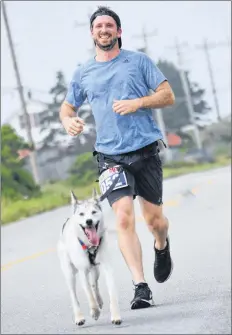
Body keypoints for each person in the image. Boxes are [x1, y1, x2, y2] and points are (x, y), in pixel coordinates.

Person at [60, 6, 175, 310]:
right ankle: (141, 286)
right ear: (92, 33)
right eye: (99, 26)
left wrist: (139, 102)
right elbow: (66, 108)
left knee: (155, 221)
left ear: (119, 31)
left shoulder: (138, 62)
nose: (104, 29)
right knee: (123, 217)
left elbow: (167, 96)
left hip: (145, 150)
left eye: (109, 25)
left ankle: (161, 245)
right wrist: (67, 121)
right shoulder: (83, 72)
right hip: (110, 156)